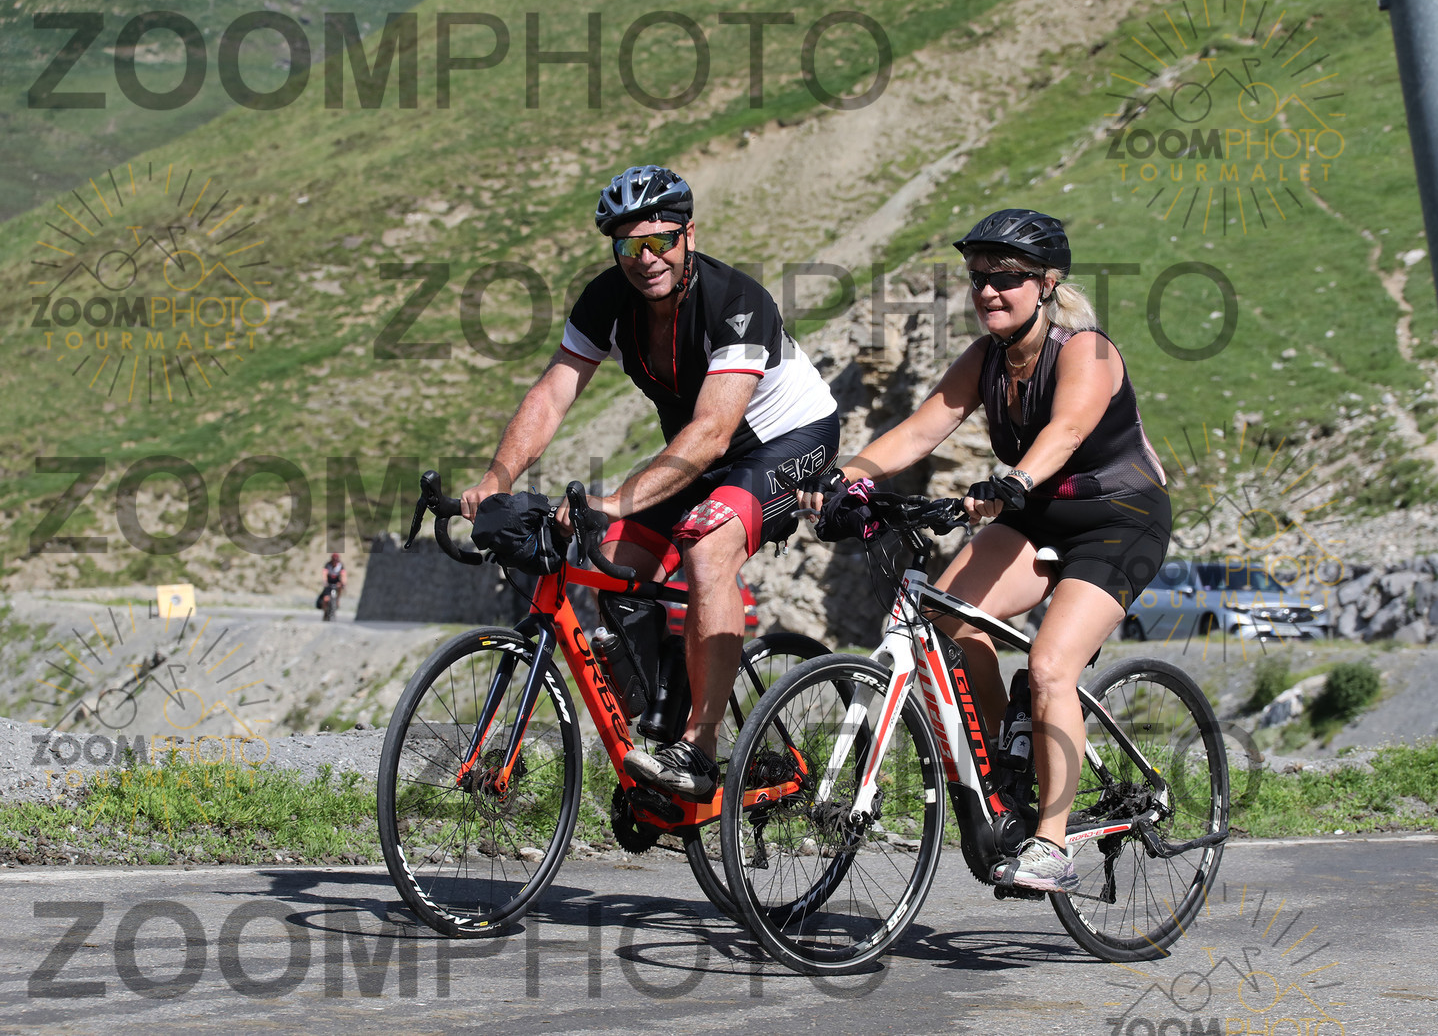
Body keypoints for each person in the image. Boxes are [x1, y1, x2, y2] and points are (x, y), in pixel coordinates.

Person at [800, 208, 1171, 892]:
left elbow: (1066, 431)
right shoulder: (986, 359)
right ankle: (1007, 761)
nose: (989, 291)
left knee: (1051, 665)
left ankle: (1052, 844)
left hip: (1119, 520)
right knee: (946, 620)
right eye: (978, 278)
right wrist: (844, 477)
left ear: (1046, 283)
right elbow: (919, 432)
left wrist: (1015, 482)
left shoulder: (1086, 351)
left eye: (1007, 278)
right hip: (1037, 516)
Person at [462, 165, 839, 802]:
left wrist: (614, 501)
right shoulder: (606, 300)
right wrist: (496, 477)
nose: (646, 259)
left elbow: (713, 432)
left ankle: (701, 748)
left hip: (786, 441)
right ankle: (664, 714)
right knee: (613, 558)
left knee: (707, 548)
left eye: (661, 241)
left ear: (689, 235)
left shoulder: (736, 301)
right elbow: (553, 394)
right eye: (629, 246)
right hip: (700, 454)